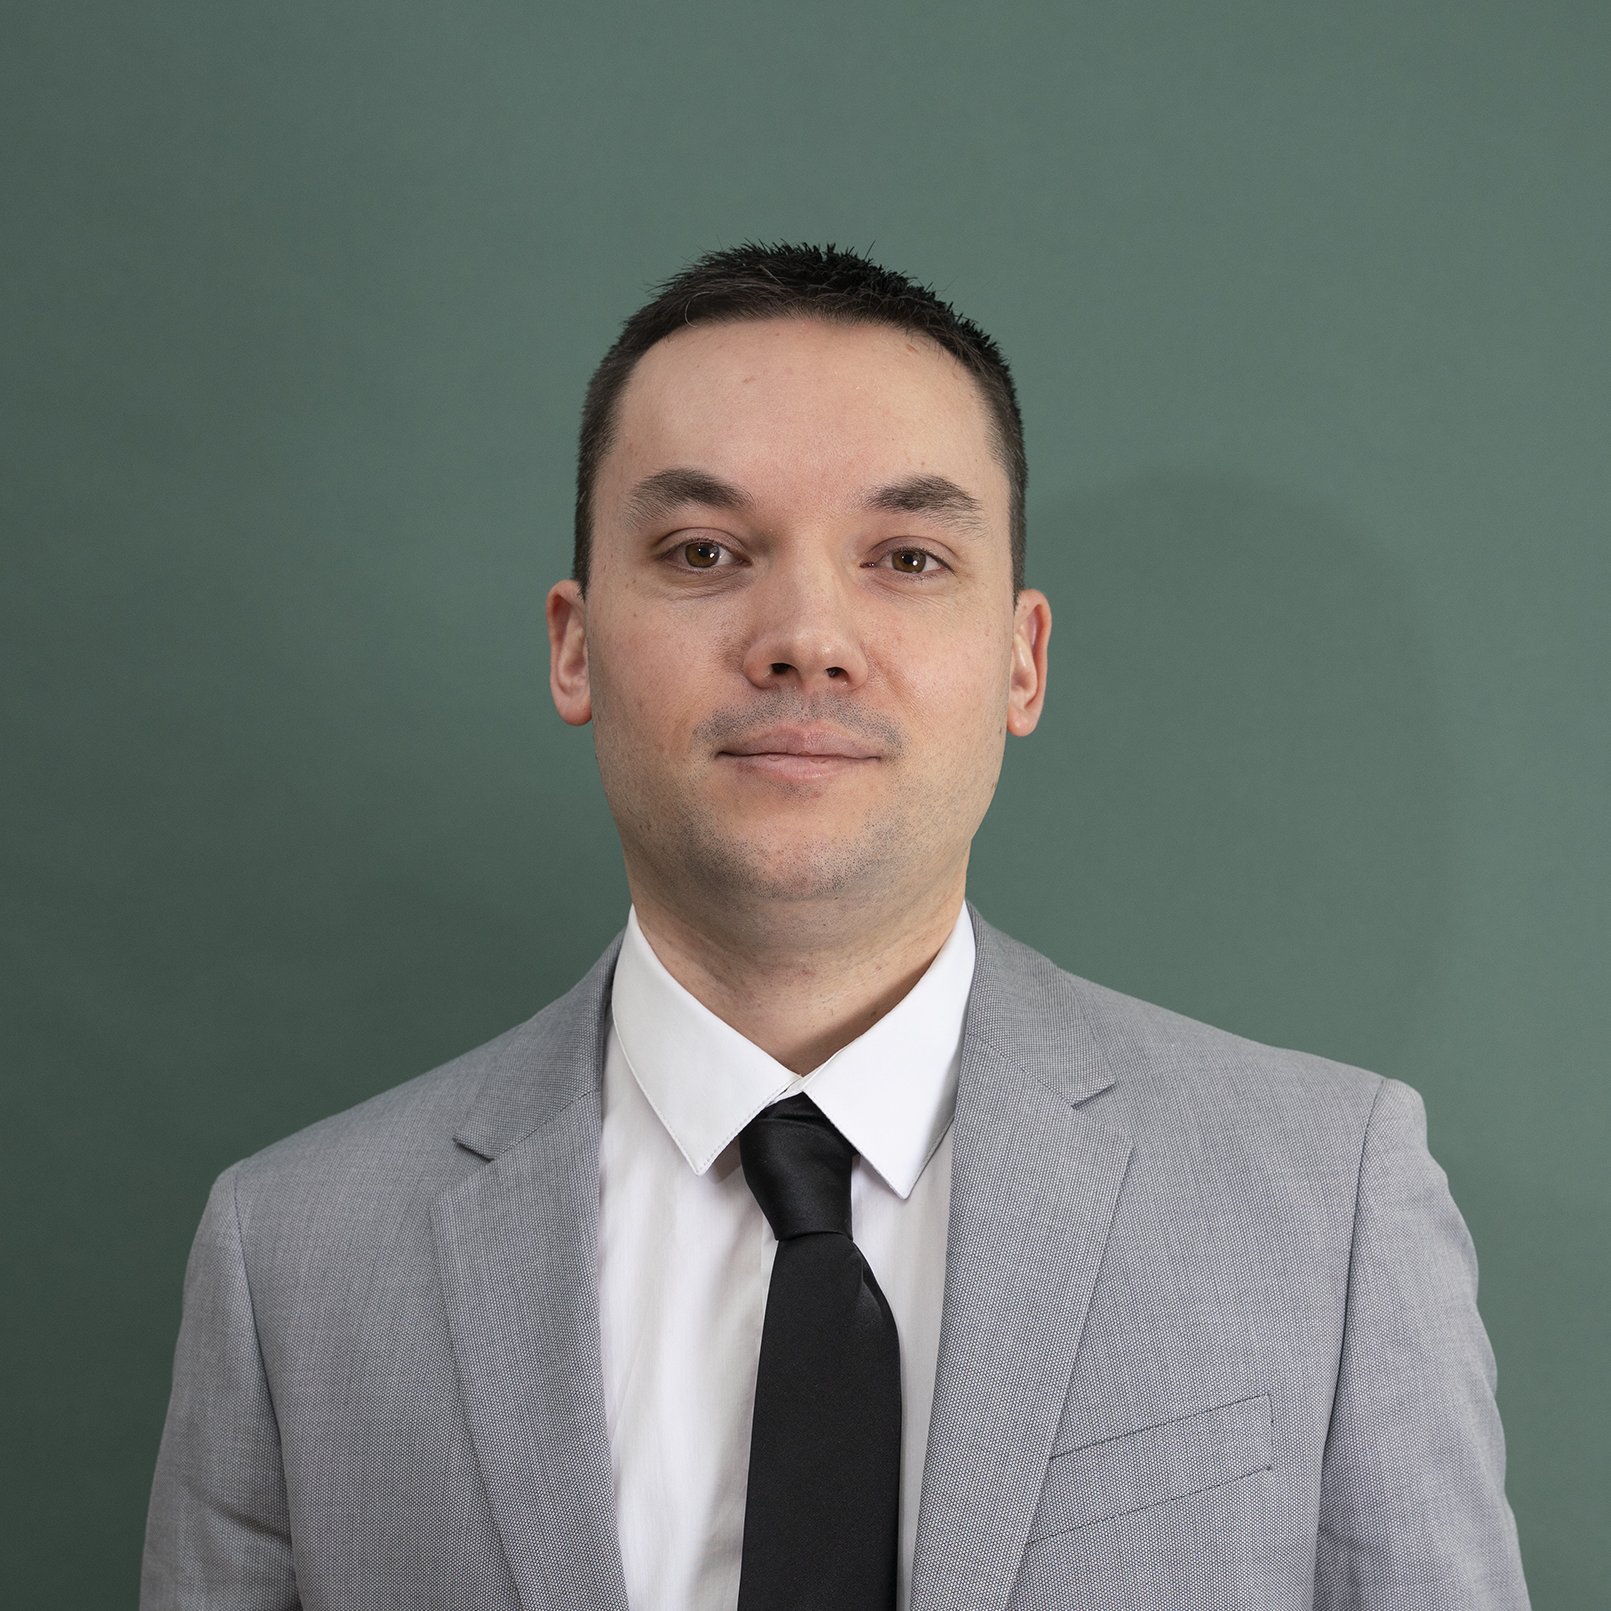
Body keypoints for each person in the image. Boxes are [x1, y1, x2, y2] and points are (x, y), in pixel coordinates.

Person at [141, 241, 1531, 1611]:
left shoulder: (1328, 1205)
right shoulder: (295, 1258)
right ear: (573, 644)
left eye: (908, 557)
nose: (806, 635)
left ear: (1022, 661)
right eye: (703, 551)